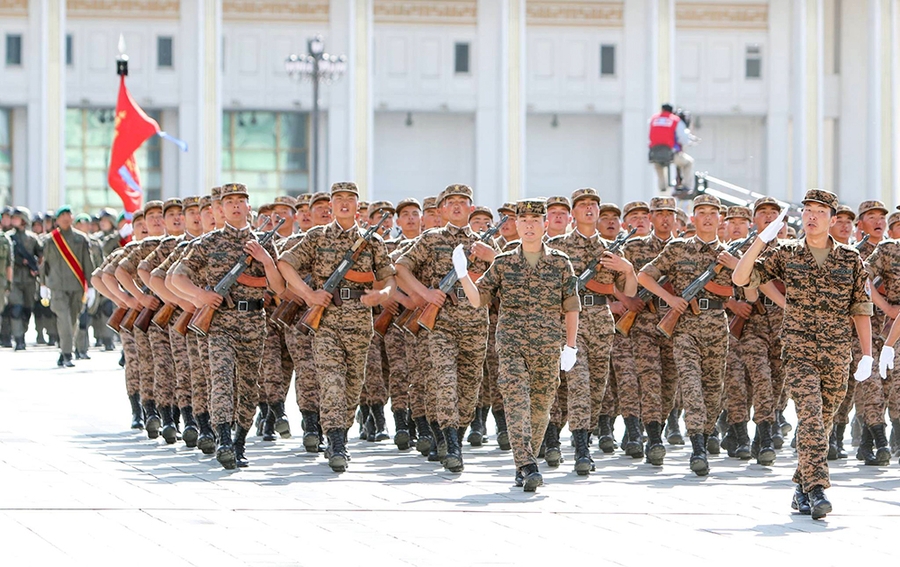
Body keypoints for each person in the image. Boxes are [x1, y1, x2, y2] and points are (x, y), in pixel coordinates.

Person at [732, 188, 873, 521]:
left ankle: (801, 485)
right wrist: (760, 241)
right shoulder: (787, 253)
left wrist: (866, 354)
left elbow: (861, 307)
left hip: (837, 352)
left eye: (819, 212)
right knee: (809, 413)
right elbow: (741, 277)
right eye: (807, 210)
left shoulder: (850, 258)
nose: (811, 217)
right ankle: (818, 488)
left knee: (820, 423)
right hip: (798, 350)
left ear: (832, 218)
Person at [458, 198, 580, 492]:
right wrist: (463, 275)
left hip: (548, 347)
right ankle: (527, 464)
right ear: (517, 225)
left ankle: (523, 462)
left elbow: (572, 306)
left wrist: (571, 345)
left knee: (540, 410)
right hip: (512, 345)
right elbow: (479, 299)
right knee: (516, 404)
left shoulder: (561, 262)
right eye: (523, 221)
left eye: (534, 221)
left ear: (545, 225)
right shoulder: (503, 262)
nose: (528, 226)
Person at [277, 182, 396, 473]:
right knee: (331, 381)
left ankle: (340, 432)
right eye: (338, 199)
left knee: (353, 385)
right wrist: (308, 295)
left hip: (359, 321)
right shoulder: (316, 237)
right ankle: (337, 442)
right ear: (330, 205)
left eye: (350, 199)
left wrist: (381, 295)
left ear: (359, 206)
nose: (344, 204)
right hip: (327, 320)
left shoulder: (373, 242)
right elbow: (285, 264)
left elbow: (390, 278)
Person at [173, 183, 286, 469]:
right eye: (230, 202)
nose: (236, 206)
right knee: (221, 377)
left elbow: (279, 289)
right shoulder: (208, 243)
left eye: (241, 201)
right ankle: (223, 437)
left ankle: (239, 442)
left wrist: (266, 261)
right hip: (220, 322)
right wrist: (200, 296)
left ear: (249, 207)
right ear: (221, 209)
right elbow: (177, 277)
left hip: (253, 322)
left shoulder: (264, 242)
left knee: (248, 385)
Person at [637, 194, 738, 476]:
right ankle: (697, 448)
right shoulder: (678, 248)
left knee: (713, 390)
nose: (707, 217)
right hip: (684, 328)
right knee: (691, 384)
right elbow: (644, 276)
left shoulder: (732, 255)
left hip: (718, 326)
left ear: (720, 220)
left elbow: (750, 291)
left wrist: (734, 266)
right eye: (701, 212)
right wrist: (668, 298)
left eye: (712, 213)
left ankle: (705, 437)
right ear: (692, 218)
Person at [41, 205, 95, 367]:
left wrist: (91, 286)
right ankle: (67, 354)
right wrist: (43, 284)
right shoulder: (50, 240)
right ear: (57, 220)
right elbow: (45, 264)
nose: (65, 218)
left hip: (76, 286)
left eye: (68, 214)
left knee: (72, 321)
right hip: (57, 287)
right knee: (63, 319)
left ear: (72, 217)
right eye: (62, 215)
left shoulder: (81, 239)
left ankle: (64, 350)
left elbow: (88, 263)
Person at [5, 207, 42, 351]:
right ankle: (19, 339)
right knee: (16, 309)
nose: (13, 220)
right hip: (14, 279)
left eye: (16, 218)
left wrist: (36, 268)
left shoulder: (32, 238)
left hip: (29, 280)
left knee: (27, 309)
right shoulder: (8, 237)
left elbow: (41, 255)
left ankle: (23, 333)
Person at [648, 103, 694, 193]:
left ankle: (662, 186)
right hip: (670, 154)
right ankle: (687, 186)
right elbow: (683, 138)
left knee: (658, 165)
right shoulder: (675, 120)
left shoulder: (653, 119)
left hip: (654, 153)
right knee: (688, 163)